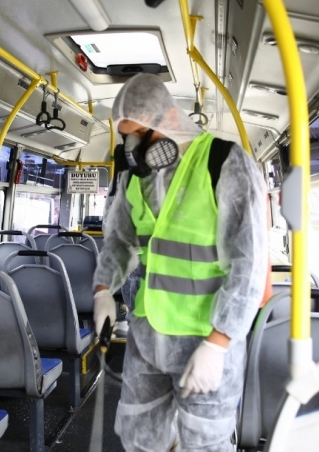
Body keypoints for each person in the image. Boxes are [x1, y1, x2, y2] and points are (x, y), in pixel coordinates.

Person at [92, 73, 269, 451]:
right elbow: (120, 241)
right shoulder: (132, 178)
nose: (134, 148)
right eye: (128, 138)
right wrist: (103, 291)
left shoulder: (224, 163)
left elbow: (250, 263)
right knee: (139, 438)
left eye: (141, 135)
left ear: (170, 120)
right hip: (146, 337)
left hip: (204, 339)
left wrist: (218, 345)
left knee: (204, 443)